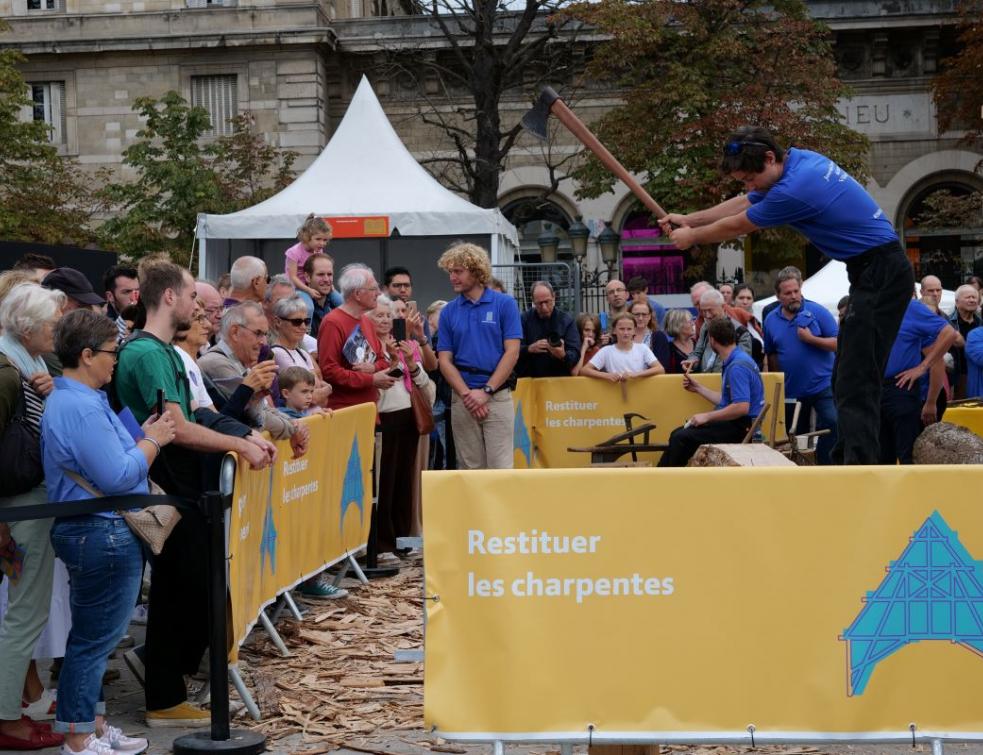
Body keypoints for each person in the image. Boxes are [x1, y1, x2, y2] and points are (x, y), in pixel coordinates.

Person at [661, 126, 914, 464]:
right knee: (845, 375)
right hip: (869, 270)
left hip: (882, 271)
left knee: (858, 375)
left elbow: (739, 224)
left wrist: (692, 237)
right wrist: (688, 219)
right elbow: (745, 200)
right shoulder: (798, 161)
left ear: (769, 158)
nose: (749, 185)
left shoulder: (795, 190)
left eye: (751, 177)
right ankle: (848, 459)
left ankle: (862, 466)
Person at [113, 257, 273, 728]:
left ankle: (166, 682)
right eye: (190, 297)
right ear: (168, 298)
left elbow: (199, 414)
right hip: (169, 489)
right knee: (176, 592)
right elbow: (177, 428)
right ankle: (162, 698)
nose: (197, 306)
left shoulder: (164, 352)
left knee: (193, 590)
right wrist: (239, 443)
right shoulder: (145, 353)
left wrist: (245, 435)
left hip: (188, 489)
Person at [42, 309, 177, 755]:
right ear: (85, 355)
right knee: (93, 640)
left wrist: (144, 440)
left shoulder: (79, 398)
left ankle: (92, 726)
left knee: (93, 638)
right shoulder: (78, 404)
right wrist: (154, 439)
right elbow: (119, 473)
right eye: (110, 353)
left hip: (99, 530)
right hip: (101, 530)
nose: (115, 361)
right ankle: (79, 737)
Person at [0, 283, 65, 751]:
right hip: (21, 504)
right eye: (51, 325)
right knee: (24, 614)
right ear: (27, 329)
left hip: (26, 500)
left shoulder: (30, 363)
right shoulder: (8, 371)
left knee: (25, 612)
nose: (56, 331)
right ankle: (6, 717)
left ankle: (12, 707)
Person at [437, 243, 521, 470]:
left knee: (501, 467)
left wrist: (486, 391)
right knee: (469, 466)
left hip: (497, 394)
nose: (452, 277)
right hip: (462, 397)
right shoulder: (449, 311)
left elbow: (512, 352)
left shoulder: (505, 304)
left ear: (476, 271)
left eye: (458, 271)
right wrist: (467, 395)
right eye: (450, 272)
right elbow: (444, 359)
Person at [371, 295, 435, 554]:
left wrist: (410, 364)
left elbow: (427, 389)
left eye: (389, 315)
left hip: (410, 417)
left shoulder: (408, 345)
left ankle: (404, 539)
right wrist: (391, 363)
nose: (386, 320)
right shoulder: (369, 348)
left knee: (405, 483)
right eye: (380, 315)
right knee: (384, 484)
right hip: (384, 418)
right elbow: (375, 386)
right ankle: (384, 543)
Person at [658, 318, 765, 467]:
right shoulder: (736, 359)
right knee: (679, 434)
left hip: (743, 427)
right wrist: (699, 389)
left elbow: (741, 406)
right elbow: (729, 401)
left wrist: (707, 416)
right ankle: (665, 478)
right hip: (738, 423)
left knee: (680, 438)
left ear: (712, 340)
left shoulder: (737, 367)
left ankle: (667, 481)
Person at [199, 302, 306, 447]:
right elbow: (256, 417)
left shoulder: (239, 362)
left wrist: (293, 424)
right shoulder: (216, 363)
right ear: (235, 332)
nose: (263, 342)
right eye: (258, 333)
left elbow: (264, 408)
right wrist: (293, 429)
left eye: (265, 334)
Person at [763, 267, 839, 464]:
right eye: (788, 293)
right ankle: (801, 472)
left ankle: (824, 465)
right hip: (792, 390)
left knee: (833, 423)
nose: (793, 296)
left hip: (823, 385)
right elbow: (771, 353)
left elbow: (839, 343)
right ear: (778, 296)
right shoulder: (771, 320)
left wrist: (812, 339)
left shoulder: (818, 312)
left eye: (796, 291)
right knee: (795, 435)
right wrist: (776, 382)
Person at [880, 297, 958, 464]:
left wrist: (931, 401)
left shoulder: (911, 308)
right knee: (880, 456)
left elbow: (940, 358)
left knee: (908, 454)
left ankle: (914, 489)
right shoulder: (864, 304)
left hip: (901, 387)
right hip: (872, 389)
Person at [318, 264, 395, 410]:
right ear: (357, 294)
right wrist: (371, 379)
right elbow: (329, 371)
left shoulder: (366, 320)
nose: (379, 293)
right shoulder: (332, 322)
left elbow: (382, 360)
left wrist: (373, 368)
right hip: (344, 411)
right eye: (373, 289)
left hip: (369, 408)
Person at [270, 294, 331, 407]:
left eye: (306, 321)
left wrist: (324, 391)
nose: (303, 327)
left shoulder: (303, 353)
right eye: (297, 322)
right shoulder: (277, 353)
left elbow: (316, 394)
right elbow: (313, 398)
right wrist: (327, 389)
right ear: (278, 322)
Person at [517, 281, 580, 378]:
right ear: (533, 301)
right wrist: (529, 349)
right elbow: (513, 349)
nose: (544, 307)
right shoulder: (524, 319)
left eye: (547, 302)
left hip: (560, 380)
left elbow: (575, 353)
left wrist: (563, 355)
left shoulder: (566, 320)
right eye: (539, 303)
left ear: (554, 297)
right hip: (530, 380)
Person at [682, 289, 753, 373]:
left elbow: (741, 365)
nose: (707, 315)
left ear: (723, 307)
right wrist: (692, 361)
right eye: (703, 311)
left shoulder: (740, 332)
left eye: (710, 310)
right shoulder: (705, 327)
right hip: (705, 380)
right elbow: (697, 352)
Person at [579, 313, 665, 382]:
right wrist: (607, 376)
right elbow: (584, 370)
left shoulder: (643, 348)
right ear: (614, 330)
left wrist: (636, 374)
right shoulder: (606, 351)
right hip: (613, 397)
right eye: (621, 329)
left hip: (640, 396)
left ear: (634, 331)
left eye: (629, 329)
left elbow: (660, 369)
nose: (625, 332)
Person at [383, 266, 438, 371]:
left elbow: (431, 366)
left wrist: (421, 337)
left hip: (417, 378)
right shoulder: (380, 319)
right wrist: (406, 330)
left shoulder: (419, 320)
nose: (403, 290)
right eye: (397, 285)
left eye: (407, 285)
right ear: (386, 289)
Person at [284, 214, 332, 316]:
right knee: (309, 308)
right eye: (318, 239)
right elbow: (292, 277)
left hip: (312, 285)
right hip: (297, 288)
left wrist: (330, 285)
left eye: (325, 240)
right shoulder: (294, 252)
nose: (322, 243)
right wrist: (309, 290)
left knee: (339, 301)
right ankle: (306, 331)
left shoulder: (318, 250)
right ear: (307, 237)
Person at [948, 284, 981, 398]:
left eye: (974, 297)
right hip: (957, 375)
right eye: (968, 297)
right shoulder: (947, 322)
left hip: (977, 375)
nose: (972, 300)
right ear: (957, 302)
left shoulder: (980, 323)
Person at [305, 253, 343, 338]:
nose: (326, 279)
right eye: (320, 274)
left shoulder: (337, 305)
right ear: (307, 277)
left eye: (329, 274)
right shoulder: (301, 308)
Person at [102, 264, 139, 342]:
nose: (134, 297)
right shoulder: (102, 330)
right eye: (127, 292)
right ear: (110, 296)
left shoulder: (151, 319)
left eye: (137, 290)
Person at [629, 298, 671, 369]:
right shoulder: (622, 335)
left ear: (649, 316)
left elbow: (663, 365)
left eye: (644, 314)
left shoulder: (658, 337)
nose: (640, 318)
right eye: (637, 314)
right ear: (629, 315)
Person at [663, 309, 697, 374]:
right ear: (678, 325)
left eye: (693, 320)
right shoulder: (669, 349)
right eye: (690, 321)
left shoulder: (699, 344)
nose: (693, 324)